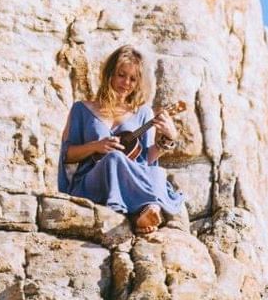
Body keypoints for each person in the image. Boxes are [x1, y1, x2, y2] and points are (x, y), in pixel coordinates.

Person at [57, 46, 185, 235]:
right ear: (110, 74)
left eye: (133, 79)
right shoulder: (82, 109)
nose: (126, 83)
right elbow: (66, 155)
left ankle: (144, 214)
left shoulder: (143, 113)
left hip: (128, 179)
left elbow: (146, 161)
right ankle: (149, 205)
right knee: (114, 158)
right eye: (121, 75)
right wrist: (95, 146)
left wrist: (169, 138)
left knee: (157, 173)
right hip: (91, 182)